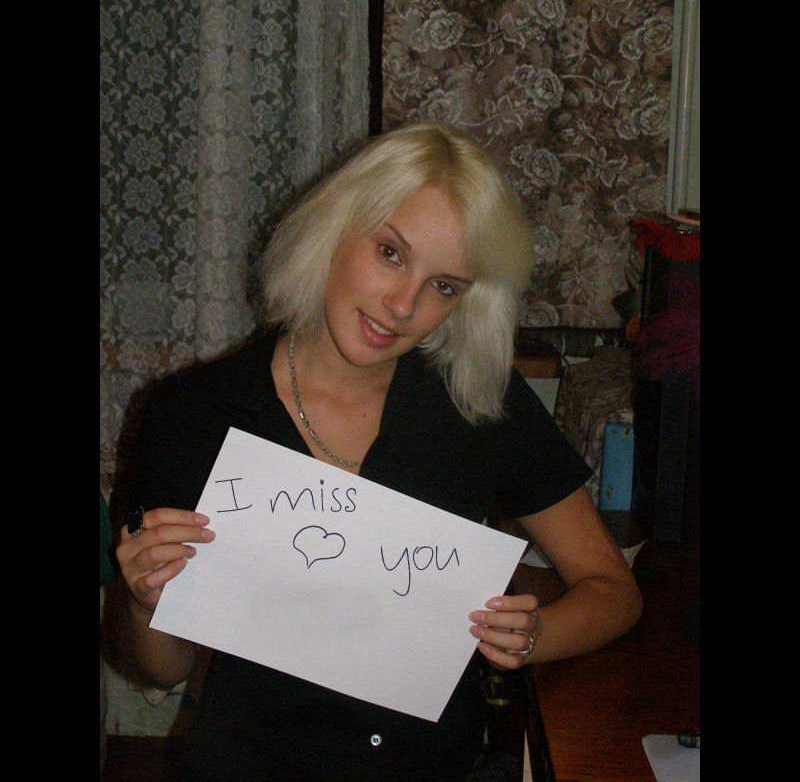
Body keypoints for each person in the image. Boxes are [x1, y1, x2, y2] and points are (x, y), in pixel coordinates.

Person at [114, 120, 642, 781]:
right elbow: (159, 667)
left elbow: (613, 591)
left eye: (444, 285)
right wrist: (144, 601)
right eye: (390, 253)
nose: (402, 305)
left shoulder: (477, 402)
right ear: (335, 227)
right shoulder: (194, 414)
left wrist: (536, 637)